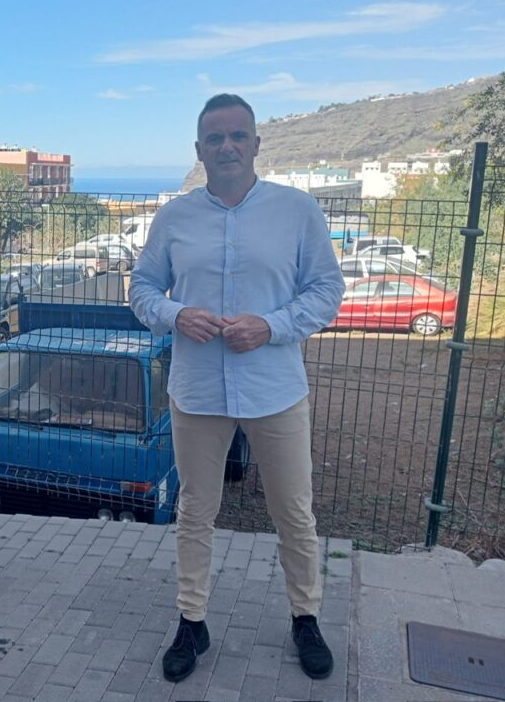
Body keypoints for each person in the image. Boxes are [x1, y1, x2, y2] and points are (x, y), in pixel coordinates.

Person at [128, 94, 345, 683]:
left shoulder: (297, 211)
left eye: (237, 136)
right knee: (195, 510)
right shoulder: (174, 218)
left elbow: (326, 290)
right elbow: (142, 288)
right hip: (198, 391)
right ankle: (191, 621)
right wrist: (176, 314)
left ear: (256, 144)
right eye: (215, 138)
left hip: (276, 389)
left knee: (293, 512)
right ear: (199, 150)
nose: (227, 147)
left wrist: (271, 326)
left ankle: (306, 617)